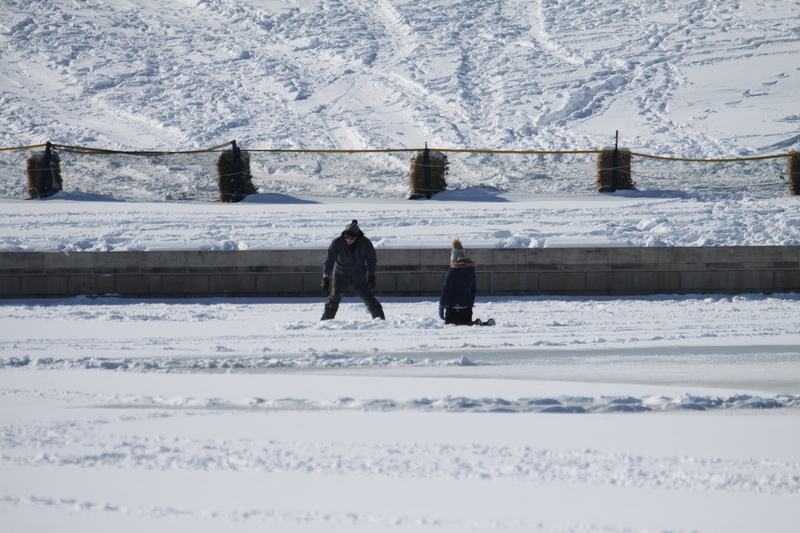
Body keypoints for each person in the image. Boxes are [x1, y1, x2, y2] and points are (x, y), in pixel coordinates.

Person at [321, 219, 385, 321]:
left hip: (358, 276)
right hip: (340, 276)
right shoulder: (337, 242)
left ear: (357, 237)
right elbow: (329, 260)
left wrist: (371, 276)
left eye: (351, 238)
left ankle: (380, 321)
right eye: (346, 237)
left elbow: (371, 260)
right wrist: (326, 278)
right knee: (333, 300)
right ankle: (325, 322)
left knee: (369, 300)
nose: (348, 240)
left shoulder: (365, 243)